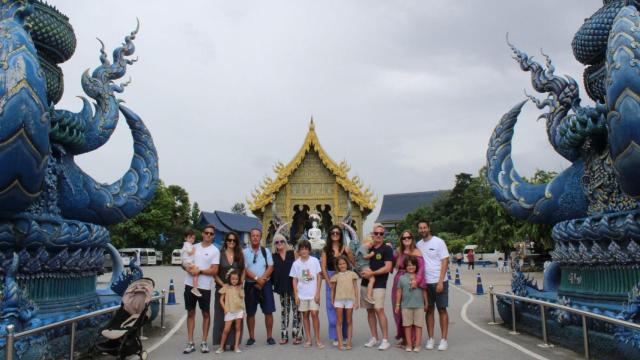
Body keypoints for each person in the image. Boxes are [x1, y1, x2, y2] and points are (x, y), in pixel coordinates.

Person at [183, 224, 220, 354]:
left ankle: (204, 342)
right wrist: (188, 269)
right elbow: (184, 262)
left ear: (213, 236)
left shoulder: (215, 251)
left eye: (211, 233)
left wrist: (199, 271)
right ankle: (190, 342)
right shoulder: (193, 247)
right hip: (189, 284)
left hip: (204, 287)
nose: (208, 235)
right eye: (206, 232)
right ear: (202, 234)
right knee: (191, 313)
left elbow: (214, 270)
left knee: (205, 314)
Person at [416, 219, 449, 351]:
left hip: (439, 281)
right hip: (426, 283)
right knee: (428, 310)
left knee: (442, 309)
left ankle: (444, 339)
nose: (423, 230)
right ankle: (430, 339)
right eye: (420, 228)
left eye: (425, 227)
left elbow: (445, 260)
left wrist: (441, 281)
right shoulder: (418, 245)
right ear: (418, 230)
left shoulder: (438, 242)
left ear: (429, 228)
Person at [320, 225, 355, 346]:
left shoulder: (345, 248)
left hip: (344, 279)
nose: (335, 235)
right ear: (329, 235)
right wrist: (329, 282)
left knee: (345, 308)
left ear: (341, 235)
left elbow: (353, 263)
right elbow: (323, 267)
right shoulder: (326, 250)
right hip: (331, 277)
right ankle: (335, 336)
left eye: (337, 233)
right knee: (332, 307)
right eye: (333, 233)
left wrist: (349, 253)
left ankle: (345, 335)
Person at [361, 224, 393, 351]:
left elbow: (388, 267)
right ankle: (374, 337)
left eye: (381, 234)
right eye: (376, 233)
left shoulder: (387, 249)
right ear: (372, 234)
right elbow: (359, 260)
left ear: (383, 236)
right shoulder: (367, 248)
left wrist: (372, 273)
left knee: (379, 310)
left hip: (379, 284)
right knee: (369, 311)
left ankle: (385, 339)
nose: (378, 236)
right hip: (365, 282)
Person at [243, 228, 276, 345]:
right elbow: (245, 269)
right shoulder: (245, 252)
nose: (255, 238)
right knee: (250, 312)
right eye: (253, 236)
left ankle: (269, 336)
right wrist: (257, 279)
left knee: (268, 311)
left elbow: (271, 267)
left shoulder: (265, 251)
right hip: (250, 284)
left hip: (265, 284)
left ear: (260, 237)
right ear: (250, 237)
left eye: (257, 236)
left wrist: (262, 280)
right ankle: (251, 337)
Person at [392, 230, 424, 346]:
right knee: (399, 311)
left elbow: (421, 269)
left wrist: (417, 281)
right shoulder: (398, 252)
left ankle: (414, 340)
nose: (406, 239)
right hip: (399, 281)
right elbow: (388, 262)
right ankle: (405, 338)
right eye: (404, 238)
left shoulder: (417, 252)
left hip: (413, 281)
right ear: (401, 240)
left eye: (408, 237)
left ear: (412, 238)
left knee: (412, 309)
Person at [212, 232, 245, 350]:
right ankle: (222, 344)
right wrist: (223, 285)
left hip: (235, 291)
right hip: (222, 289)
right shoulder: (219, 255)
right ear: (225, 241)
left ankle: (233, 344)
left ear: (236, 242)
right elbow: (214, 273)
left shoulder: (239, 255)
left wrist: (240, 284)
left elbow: (243, 270)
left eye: (234, 241)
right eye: (229, 240)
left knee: (236, 316)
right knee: (222, 316)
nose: (231, 242)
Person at [290, 240, 324, 348]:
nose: (304, 251)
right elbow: (294, 280)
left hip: (313, 293)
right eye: (302, 249)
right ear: (299, 251)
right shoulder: (296, 264)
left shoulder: (314, 261)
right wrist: (296, 295)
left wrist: (318, 292)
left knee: (314, 314)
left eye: (306, 249)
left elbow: (319, 276)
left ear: (309, 250)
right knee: (305, 315)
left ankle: (318, 339)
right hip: (302, 294)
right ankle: (309, 339)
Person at [272, 233, 303, 345]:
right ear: (274, 244)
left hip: (294, 286)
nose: (279, 243)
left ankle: (297, 335)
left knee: (296, 311)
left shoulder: (293, 253)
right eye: (277, 242)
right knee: (285, 311)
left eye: (282, 241)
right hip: (281, 287)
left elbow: (300, 267)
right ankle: (284, 335)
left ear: (285, 242)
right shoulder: (273, 256)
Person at [394, 256, 428, 352]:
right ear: (405, 267)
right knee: (407, 326)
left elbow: (424, 291)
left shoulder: (420, 278)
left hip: (419, 306)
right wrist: (397, 305)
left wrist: (426, 303)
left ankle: (417, 345)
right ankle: (409, 344)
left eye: (413, 265)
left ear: (416, 266)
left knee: (418, 326)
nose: (411, 267)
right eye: (408, 265)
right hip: (406, 306)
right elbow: (399, 292)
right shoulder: (402, 278)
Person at [329, 255, 359, 350]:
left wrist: (357, 300)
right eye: (340, 264)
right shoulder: (335, 276)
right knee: (339, 321)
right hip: (339, 300)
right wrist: (332, 300)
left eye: (344, 263)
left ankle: (349, 342)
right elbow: (332, 290)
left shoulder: (352, 274)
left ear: (347, 264)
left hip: (349, 300)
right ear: (337, 266)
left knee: (349, 320)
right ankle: (340, 342)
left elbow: (355, 288)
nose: (342, 265)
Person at [216, 270, 245, 354]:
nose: (234, 280)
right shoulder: (226, 287)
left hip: (239, 311)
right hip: (229, 311)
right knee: (226, 330)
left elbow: (242, 297)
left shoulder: (240, 287)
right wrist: (225, 308)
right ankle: (221, 347)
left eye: (236, 279)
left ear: (238, 279)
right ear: (229, 279)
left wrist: (240, 288)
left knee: (238, 328)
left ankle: (236, 347)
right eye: (232, 279)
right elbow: (221, 300)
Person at [354, 234, 376, 303]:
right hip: (363, 266)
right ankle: (368, 296)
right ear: (368, 242)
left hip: (362, 266)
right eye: (371, 244)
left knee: (371, 279)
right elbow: (365, 256)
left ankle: (368, 295)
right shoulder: (364, 247)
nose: (370, 247)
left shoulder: (361, 247)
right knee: (372, 279)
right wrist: (371, 254)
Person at [181, 230, 201, 297]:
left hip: (187, 262)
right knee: (196, 272)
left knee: (196, 273)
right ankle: (195, 288)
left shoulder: (188, 244)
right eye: (190, 237)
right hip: (187, 262)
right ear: (185, 238)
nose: (192, 239)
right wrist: (194, 250)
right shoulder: (187, 244)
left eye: (193, 238)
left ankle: (195, 288)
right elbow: (190, 253)